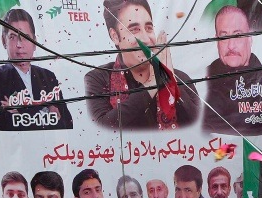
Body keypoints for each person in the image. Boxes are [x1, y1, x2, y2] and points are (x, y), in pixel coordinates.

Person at [85, 0, 201, 131]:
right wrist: (153, 82)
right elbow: (104, 130)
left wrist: (168, 80)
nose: (146, 39)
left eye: (148, 28)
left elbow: (199, 126)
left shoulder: (180, 78)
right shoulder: (98, 79)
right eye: (135, 30)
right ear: (115, 36)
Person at [0, 8, 73, 130]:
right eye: (13, 37)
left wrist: (20, 113)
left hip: (52, 146)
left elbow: (67, 122)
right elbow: (2, 123)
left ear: (35, 42)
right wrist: (46, 113)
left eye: (26, 37)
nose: (19, 45)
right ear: (3, 41)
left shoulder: (48, 77)